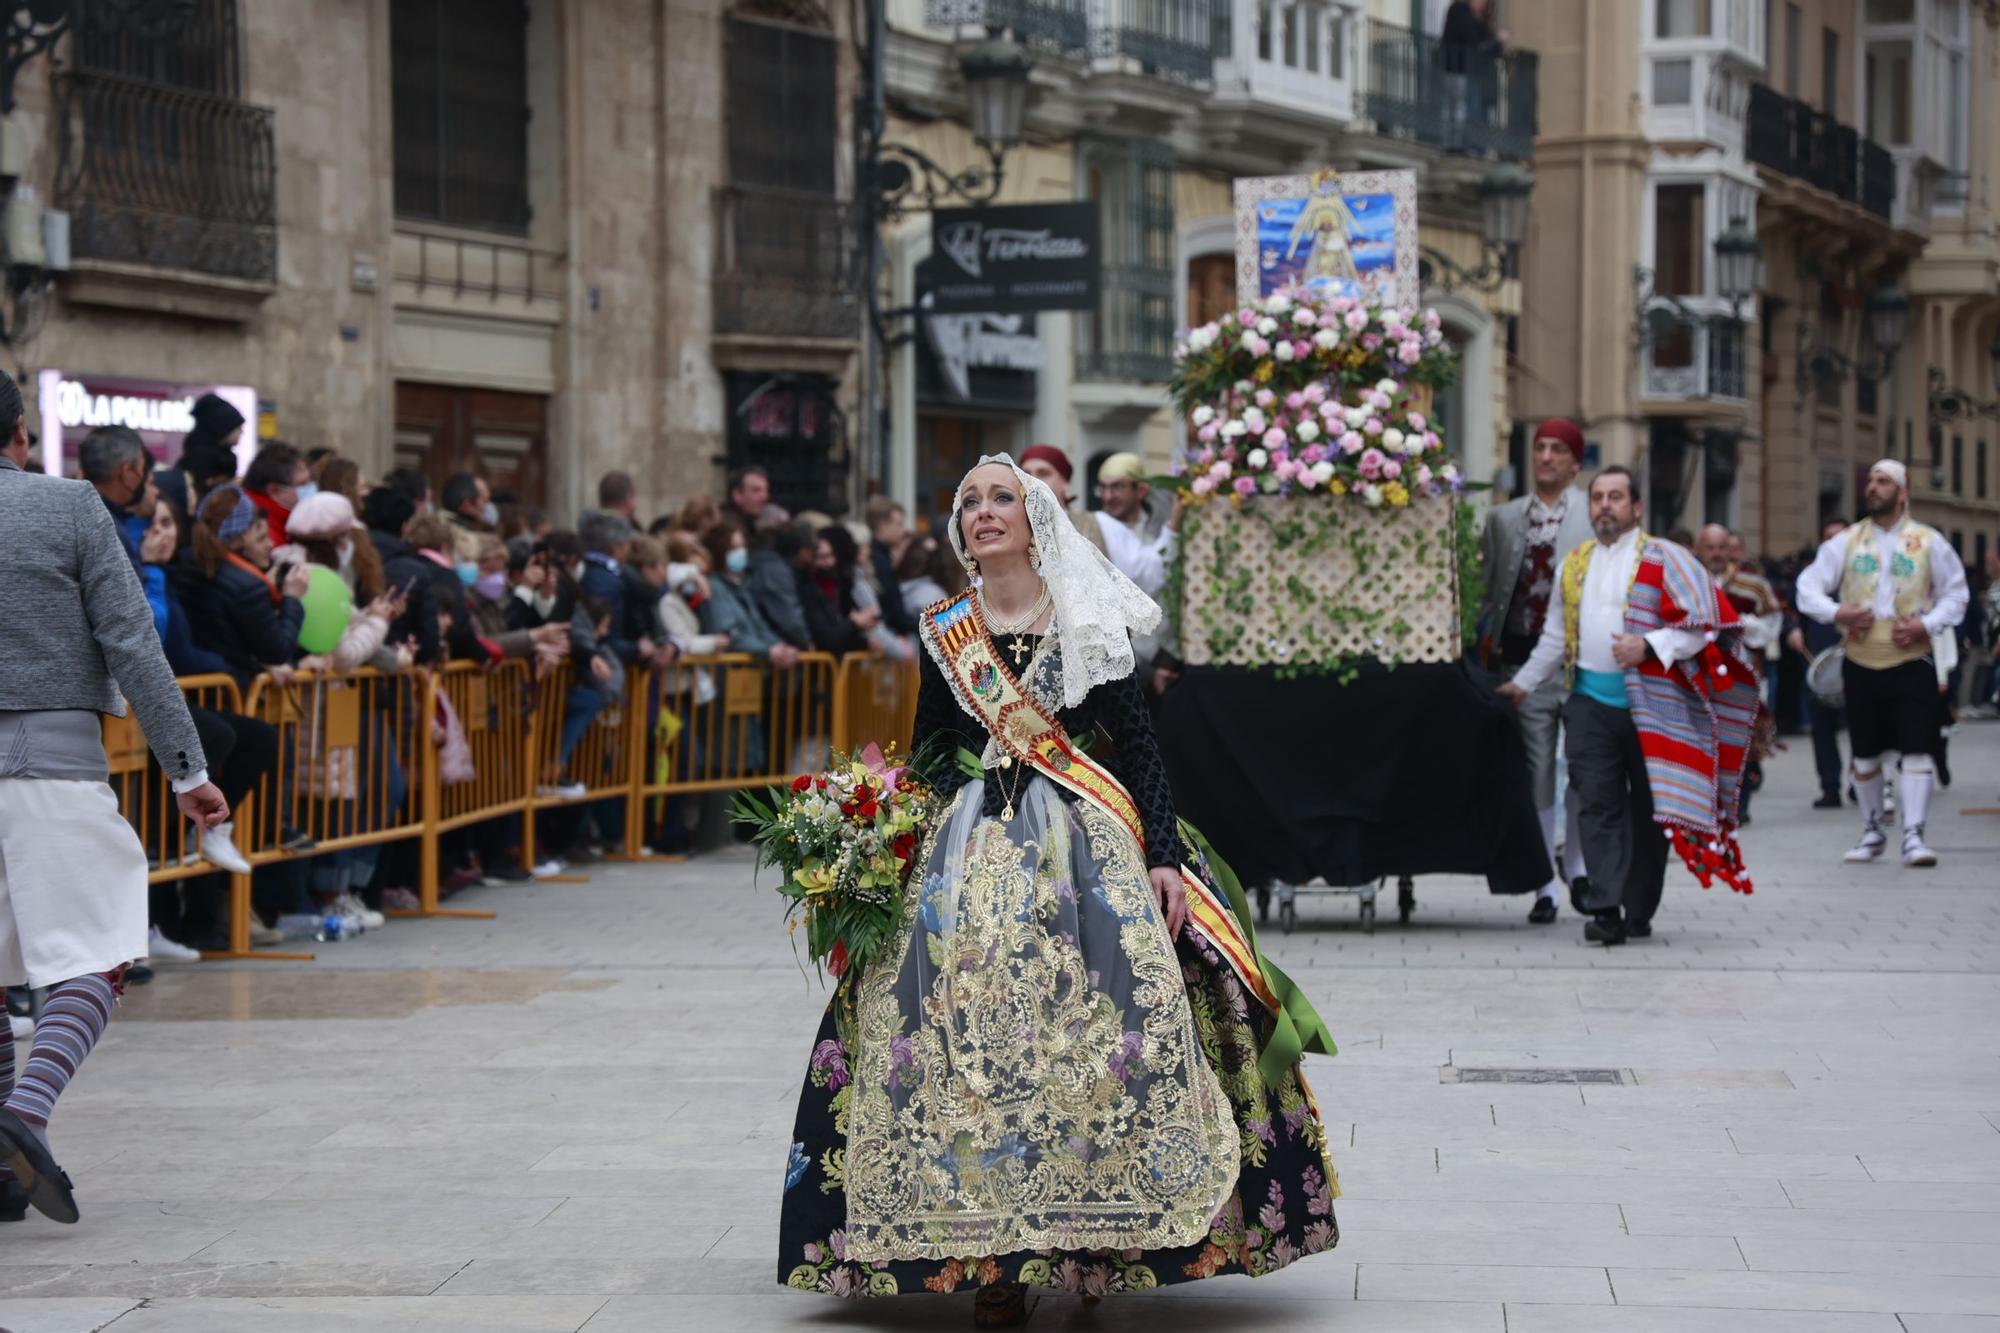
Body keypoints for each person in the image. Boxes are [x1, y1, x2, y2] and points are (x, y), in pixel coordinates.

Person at [777, 455, 1339, 1321]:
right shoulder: (945, 628)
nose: (984, 512)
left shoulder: (1085, 615)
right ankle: (993, 1261)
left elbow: (1139, 743)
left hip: (1081, 844)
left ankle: (1093, 1248)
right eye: (970, 502)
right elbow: (931, 747)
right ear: (959, 528)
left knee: (1096, 1041)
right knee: (957, 1041)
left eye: (1002, 498)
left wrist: (1161, 853)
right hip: (966, 852)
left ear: (1037, 518)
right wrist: (878, 837)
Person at [0, 369, 229, 1225]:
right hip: (49, 764)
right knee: (103, 942)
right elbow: (133, 641)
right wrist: (188, 769)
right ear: (20, 435)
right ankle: (23, 1113)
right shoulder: (66, 509)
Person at [1500, 467, 1761, 945]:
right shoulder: (1573, 564)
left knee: (1648, 810)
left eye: (1615, 497)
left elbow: (1707, 624)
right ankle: (1605, 907)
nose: (1604, 505)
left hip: (1655, 707)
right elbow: (1556, 638)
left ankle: (1638, 908)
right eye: (1598, 497)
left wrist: (1650, 644)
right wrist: (1521, 685)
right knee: (1595, 803)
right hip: (1588, 702)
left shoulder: (1667, 558)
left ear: (1636, 507)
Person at [1794, 460, 1969, 867]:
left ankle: (1914, 835)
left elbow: (1956, 595)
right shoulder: (1847, 541)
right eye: (1871, 481)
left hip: (1912, 658)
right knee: (1865, 752)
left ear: (1903, 491)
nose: (1873, 487)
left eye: (1883, 481)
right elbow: (1807, 588)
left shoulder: (1928, 541)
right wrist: (1839, 613)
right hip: (1860, 658)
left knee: (1917, 748)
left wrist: (1927, 623)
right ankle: (1873, 831)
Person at [1477, 418, 1593, 923]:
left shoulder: (1595, 513)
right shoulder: (1503, 518)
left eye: (1557, 450)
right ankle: (1545, 883)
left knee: (1587, 771)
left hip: (1586, 663)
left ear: (1574, 461)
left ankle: (1580, 865)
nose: (1545, 457)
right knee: (1538, 772)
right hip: (1522, 662)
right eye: (1540, 448)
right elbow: (1488, 592)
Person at [182, 486, 309, 688]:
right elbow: (278, 649)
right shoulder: (247, 587)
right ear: (240, 538)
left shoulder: (186, 562)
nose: (270, 545)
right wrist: (291, 598)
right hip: (230, 688)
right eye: (261, 537)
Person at [1696, 524, 1781, 824]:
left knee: (1741, 741)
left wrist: (1738, 623)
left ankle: (1738, 805)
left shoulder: (1751, 584)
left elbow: (1772, 624)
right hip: (1699, 678)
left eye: (1722, 547)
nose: (1717, 553)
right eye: (1711, 547)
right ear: (1699, 549)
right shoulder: (1688, 583)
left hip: (1742, 676)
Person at [1787, 518, 1853, 808]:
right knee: (1822, 730)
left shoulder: (1864, 577)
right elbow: (1792, 614)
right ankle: (1830, 786)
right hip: (1818, 665)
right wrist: (1793, 632)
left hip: (1856, 661)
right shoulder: (1810, 577)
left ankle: (1861, 781)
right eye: (1828, 538)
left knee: (1861, 728)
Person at [863, 496, 918, 638]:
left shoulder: (881, 557)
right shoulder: (879, 561)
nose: (903, 530)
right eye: (899, 524)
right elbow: (894, 612)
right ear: (883, 525)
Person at [241, 442, 308, 549]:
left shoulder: (284, 521)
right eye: (302, 484)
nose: (310, 490)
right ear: (274, 490)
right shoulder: (263, 531)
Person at [441, 471, 496, 563]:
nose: (486, 508)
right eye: (484, 501)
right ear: (467, 505)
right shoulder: (465, 541)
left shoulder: (435, 529)